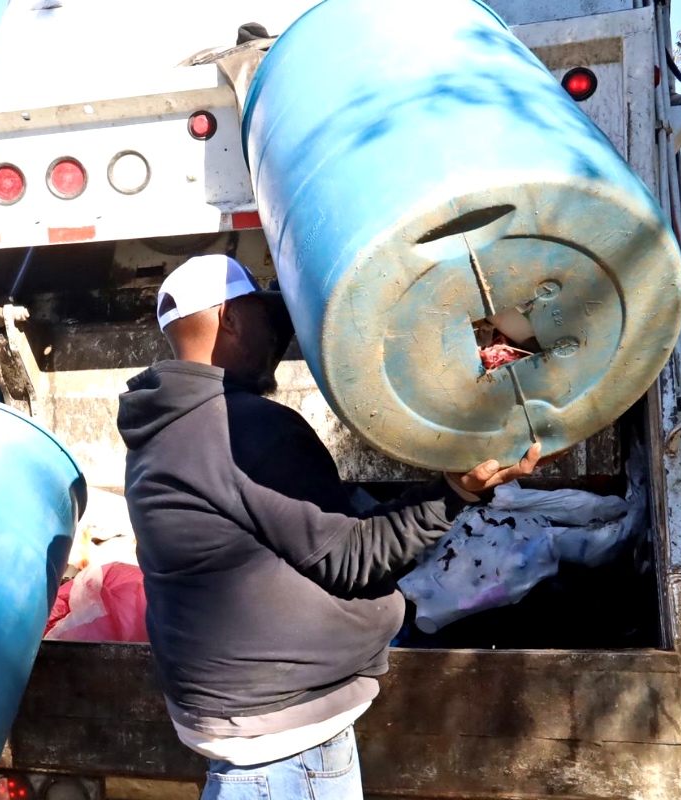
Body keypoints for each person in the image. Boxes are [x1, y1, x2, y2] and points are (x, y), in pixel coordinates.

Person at [116, 254, 542, 800]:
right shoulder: (245, 426)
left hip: (245, 731)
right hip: (286, 752)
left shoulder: (160, 431)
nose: (278, 340)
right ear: (230, 318)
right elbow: (351, 559)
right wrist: (455, 492)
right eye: (267, 320)